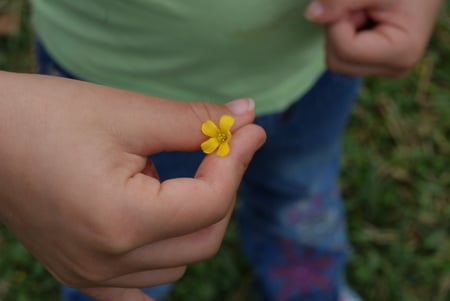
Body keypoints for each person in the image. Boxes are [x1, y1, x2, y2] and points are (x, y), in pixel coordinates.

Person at [7, 0, 444, 300]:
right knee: (123, 247)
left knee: (301, 191)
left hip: (311, 70)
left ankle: (306, 283)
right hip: (103, 107)